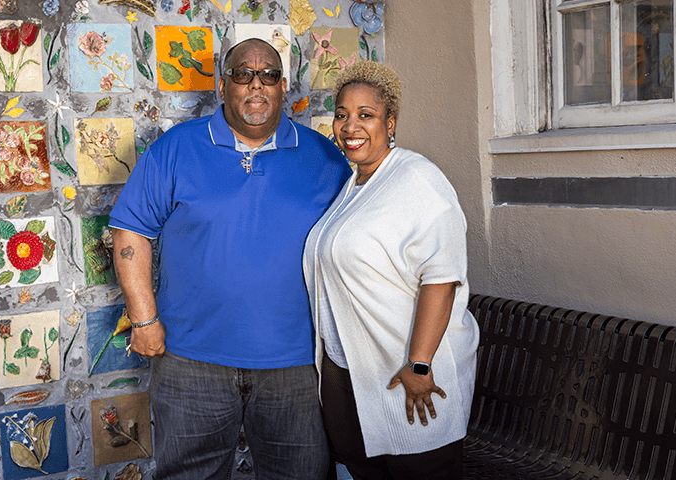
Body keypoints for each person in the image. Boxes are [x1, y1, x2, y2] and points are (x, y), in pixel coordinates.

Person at [109, 38, 351, 479]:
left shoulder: (325, 158)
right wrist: (143, 320)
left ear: (282, 87)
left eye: (269, 76)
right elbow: (131, 231)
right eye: (243, 74)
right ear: (224, 86)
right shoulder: (175, 148)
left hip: (296, 364)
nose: (256, 85)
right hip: (190, 359)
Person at [303, 60, 480, 479]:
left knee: (418, 467)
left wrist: (419, 365)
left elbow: (442, 276)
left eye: (366, 115)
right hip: (350, 371)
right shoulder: (356, 184)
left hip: (411, 377)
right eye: (342, 115)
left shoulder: (418, 179)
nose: (350, 126)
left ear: (391, 122)